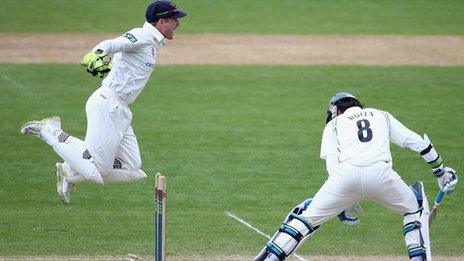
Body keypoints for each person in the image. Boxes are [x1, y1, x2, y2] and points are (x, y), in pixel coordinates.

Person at [255, 92, 459, 261]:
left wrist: (343, 201)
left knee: (305, 216)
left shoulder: (333, 125)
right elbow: (417, 142)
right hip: (382, 177)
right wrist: (440, 172)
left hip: (345, 177)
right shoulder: (382, 115)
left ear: (335, 109)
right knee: (415, 206)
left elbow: (332, 167)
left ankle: (271, 257)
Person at [20, 1, 187, 205]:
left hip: (121, 110)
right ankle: (50, 132)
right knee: (94, 173)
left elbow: (122, 62)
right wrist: (96, 54)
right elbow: (112, 44)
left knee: (133, 170)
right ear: (161, 21)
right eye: (174, 20)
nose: (178, 24)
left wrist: (111, 68)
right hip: (107, 105)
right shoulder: (142, 36)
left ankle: (70, 170)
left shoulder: (153, 43)